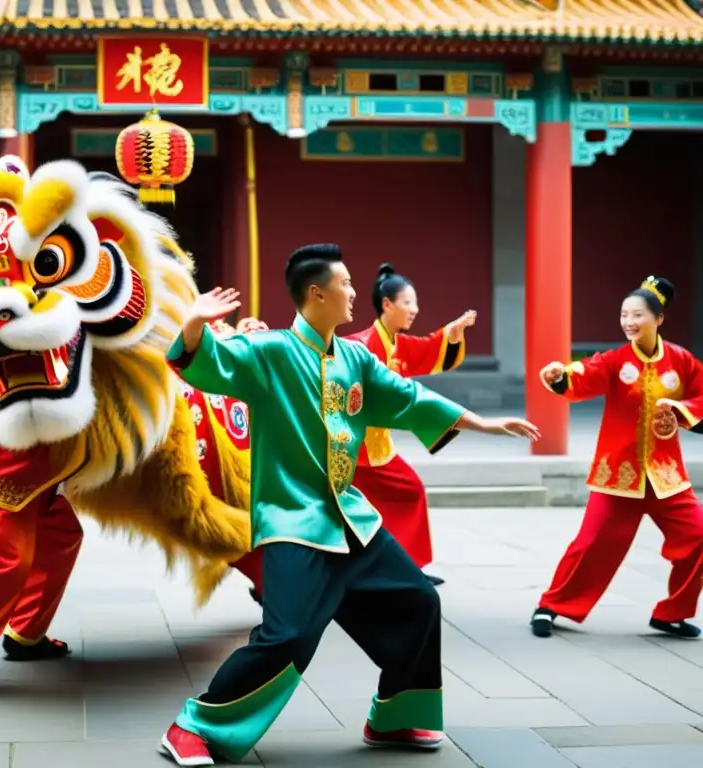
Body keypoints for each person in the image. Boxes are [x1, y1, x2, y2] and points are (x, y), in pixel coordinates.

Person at [157, 244, 539, 767]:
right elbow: (203, 363)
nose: (356, 294)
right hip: (294, 523)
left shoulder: (356, 358)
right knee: (288, 636)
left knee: (418, 603)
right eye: (347, 285)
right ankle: (192, 727)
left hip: (351, 519)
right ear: (317, 293)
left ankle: (397, 716)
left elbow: (410, 398)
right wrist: (194, 324)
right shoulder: (268, 352)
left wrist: (483, 423)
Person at [532, 276, 703, 640]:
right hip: (619, 476)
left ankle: (672, 613)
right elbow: (586, 372)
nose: (628, 322)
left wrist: (683, 410)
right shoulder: (615, 360)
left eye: (637, 315)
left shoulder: (682, 361)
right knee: (590, 544)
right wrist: (561, 375)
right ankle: (550, 606)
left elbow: (701, 395)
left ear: (658, 319)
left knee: (699, 537)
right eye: (624, 315)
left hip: (666, 476)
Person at [345, 263, 476, 586]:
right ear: (387, 304)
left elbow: (431, 348)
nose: (414, 310)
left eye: (415, 303)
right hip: (352, 450)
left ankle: (407, 566)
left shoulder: (398, 345)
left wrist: (453, 333)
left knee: (409, 491)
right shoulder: (360, 345)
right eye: (408, 303)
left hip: (379, 451)